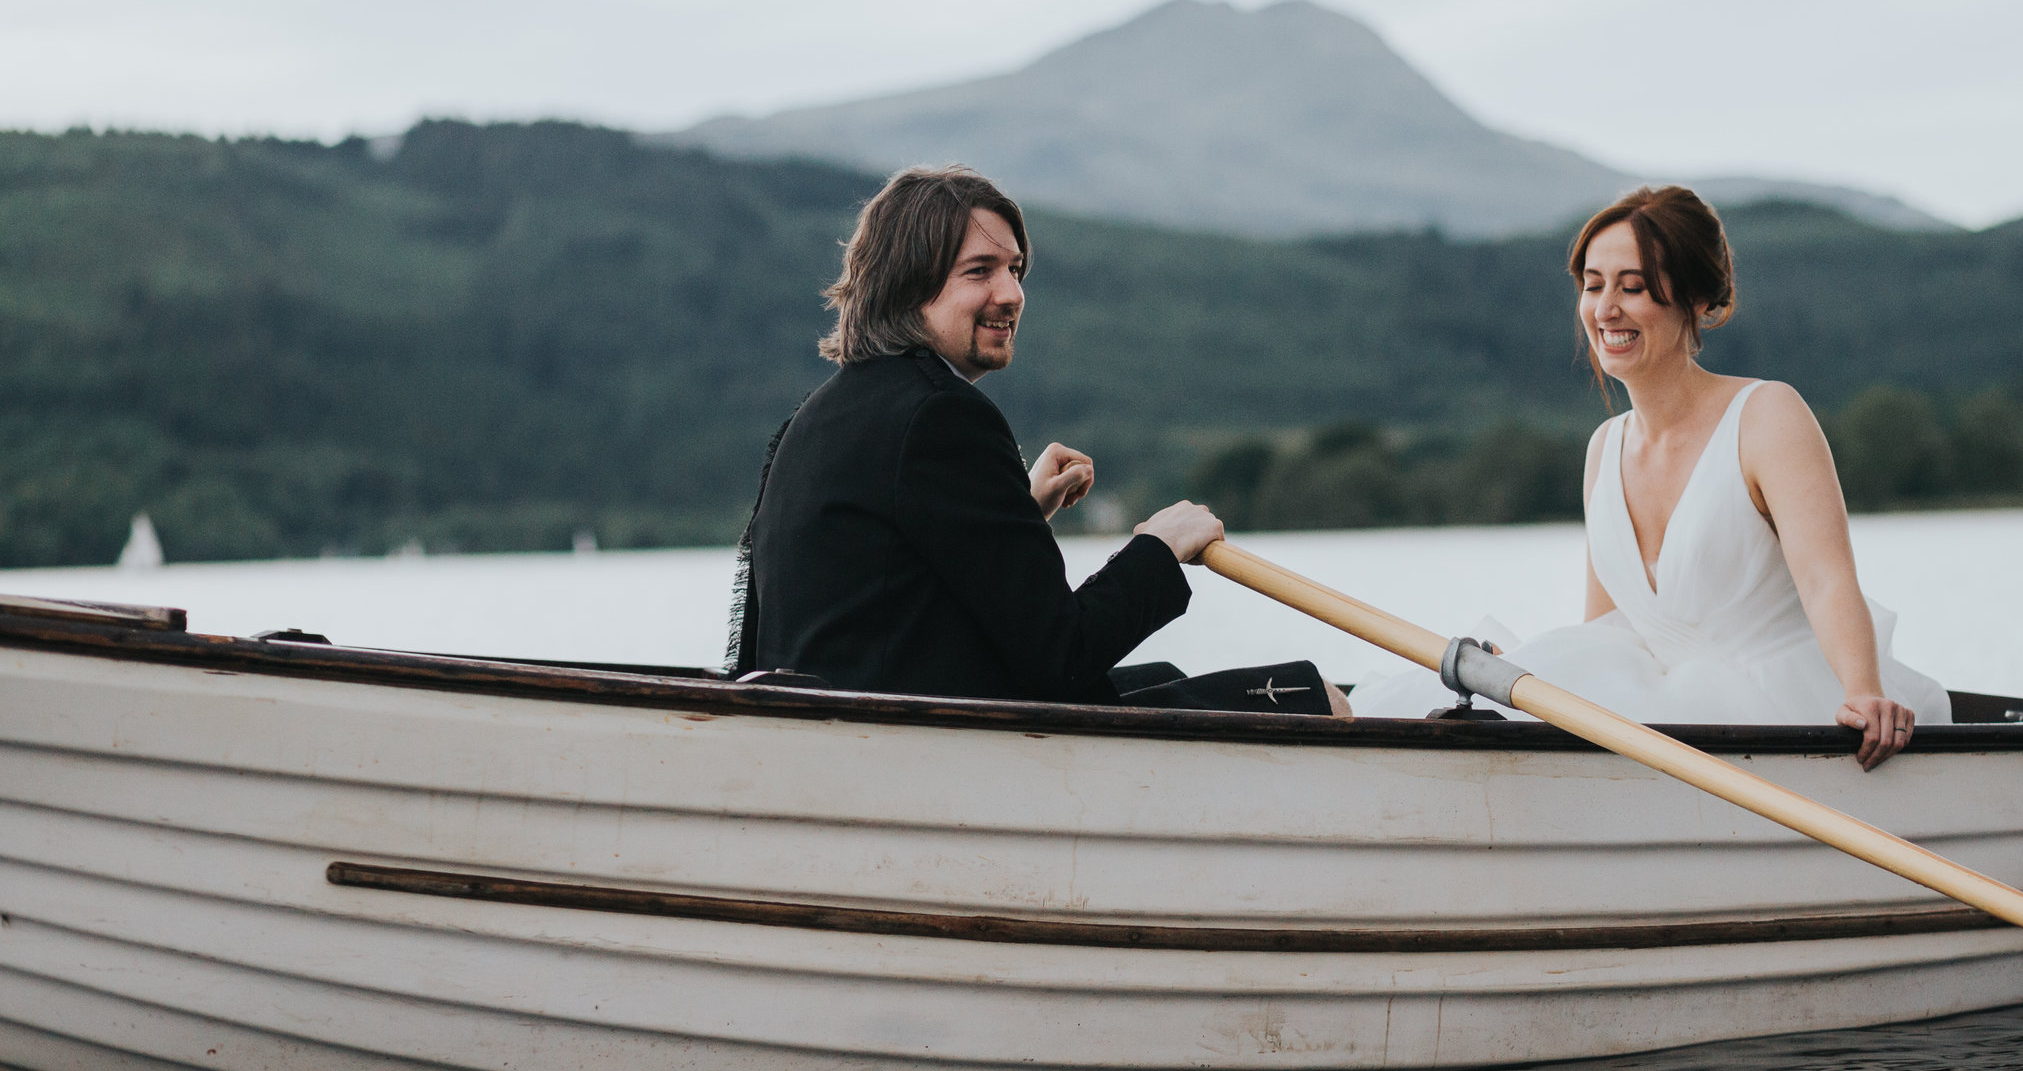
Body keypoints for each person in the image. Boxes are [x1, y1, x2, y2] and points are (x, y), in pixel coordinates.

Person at [1358, 185, 1947, 768]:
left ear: (1694, 298)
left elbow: (1827, 581)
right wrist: (1532, 664)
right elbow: (1605, 634)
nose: (1605, 308)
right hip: (1660, 698)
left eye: (1632, 287)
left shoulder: (1767, 415)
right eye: (1593, 286)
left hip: (1779, 700)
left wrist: (1864, 689)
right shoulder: (1603, 449)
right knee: (1439, 685)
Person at [729, 164, 1349, 716]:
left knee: (1164, 677)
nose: (1012, 294)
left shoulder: (811, 419)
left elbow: (887, 597)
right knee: (1318, 696)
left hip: (866, 727)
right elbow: (1062, 658)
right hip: (935, 749)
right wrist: (1159, 549)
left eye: (1015, 270)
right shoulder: (942, 416)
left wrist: (1017, 514)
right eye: (980, 272)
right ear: (909, 286)